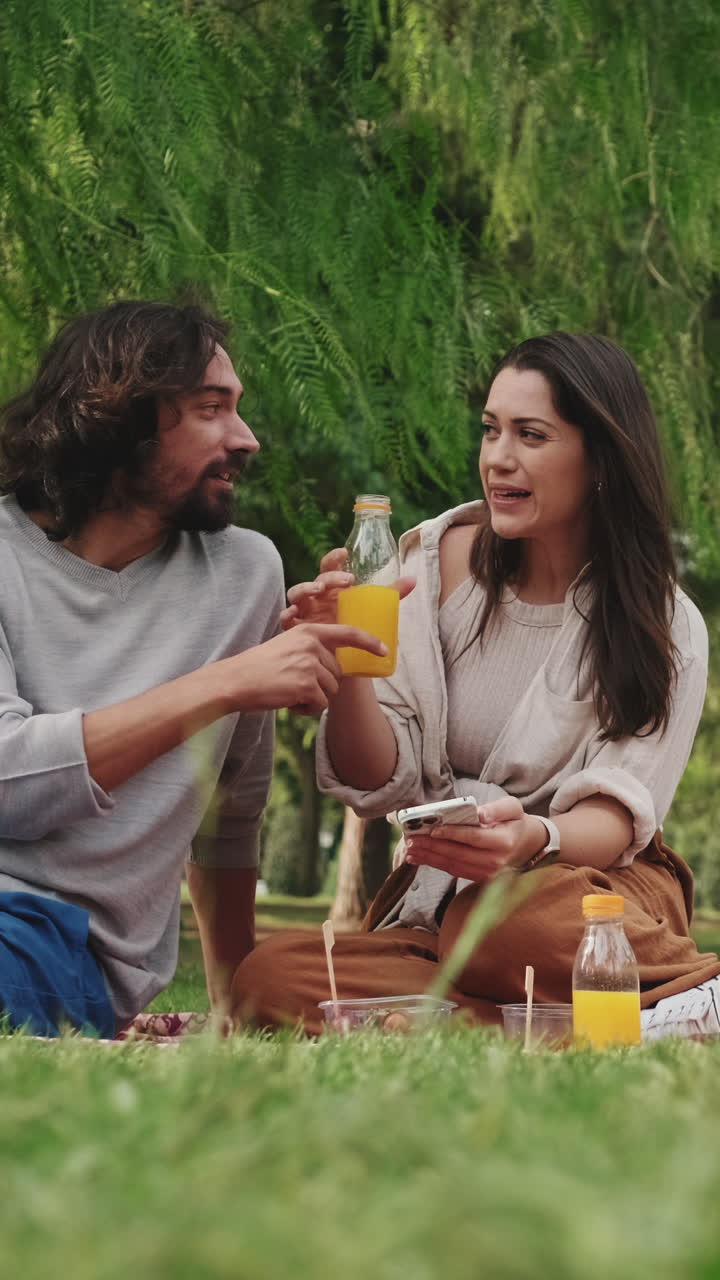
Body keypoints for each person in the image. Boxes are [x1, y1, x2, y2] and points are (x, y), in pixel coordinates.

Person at [232, 331, 720, 1035]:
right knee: (268, 977)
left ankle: (684, 988)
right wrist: (348, 669)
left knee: (497, 924)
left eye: (531, 435)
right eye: (490, 431)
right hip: (444, 903)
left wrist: (532, 838)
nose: (497, 458)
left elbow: (616, 819)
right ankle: (557, 1025)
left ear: (600, 458)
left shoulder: (664, 622)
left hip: (590, 893)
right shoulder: (431, 569)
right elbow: (379, 778)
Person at [0, 299, 386, 1037]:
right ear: (116, 417)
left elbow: (227, 813)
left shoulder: (244, 572)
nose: (247, 439)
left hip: (53, 941)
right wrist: (228, 683)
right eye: (212, 409)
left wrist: (235, 1005)